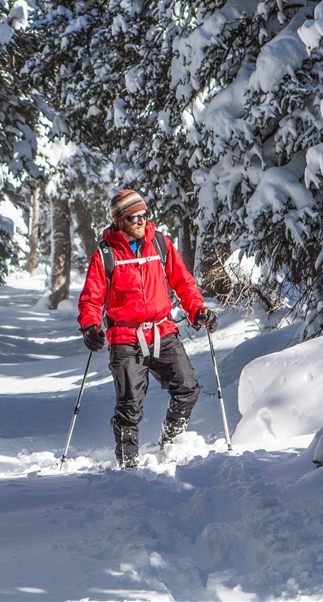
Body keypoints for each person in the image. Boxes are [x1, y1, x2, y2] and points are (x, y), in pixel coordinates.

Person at [77, 189, 218, 469]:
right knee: (130, 406)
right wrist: (90, 327)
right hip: (125, 337)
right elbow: (91, 298)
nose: (141, 221)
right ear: (119, 221)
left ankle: (171, 439)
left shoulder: (160, 244)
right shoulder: (105, 255)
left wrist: (197, 310)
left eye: (144, 215)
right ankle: (129, 467)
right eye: (134, 217)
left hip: (162, 331)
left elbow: (184, 283)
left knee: (188, 387)